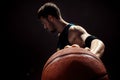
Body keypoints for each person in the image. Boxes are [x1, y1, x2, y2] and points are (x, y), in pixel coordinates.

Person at [37, 2, 105, 58]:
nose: (45, 27)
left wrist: (91, 58)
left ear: (50, 18)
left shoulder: (73, 30)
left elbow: (98, 43)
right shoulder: (60, 36)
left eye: (44, 23)